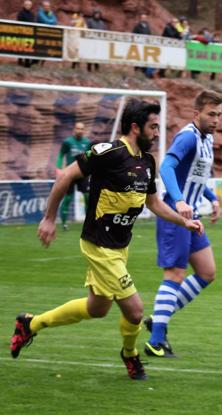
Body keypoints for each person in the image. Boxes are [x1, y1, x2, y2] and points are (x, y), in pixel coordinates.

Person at [9, 99, 204, 380]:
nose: (158, 133)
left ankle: (30, 323)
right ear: (135, 127)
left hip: (119, 247)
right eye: (153, 127)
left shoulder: (147, 162)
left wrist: (183, 221)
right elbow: (65, 176)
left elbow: (154, 203)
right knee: (135, 311)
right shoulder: (108, 152)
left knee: (97, 308)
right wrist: (49, 218)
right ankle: (131, 355)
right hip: (99, 246)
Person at [143, 90, 222, 358]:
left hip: (193, 217)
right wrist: (178, 201)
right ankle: (156, 340)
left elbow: (196, 175)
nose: (216, 120)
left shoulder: (207, 139)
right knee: (174, 275)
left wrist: (211, 198)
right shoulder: (188, 136)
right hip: (177, 217)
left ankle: (158, 319)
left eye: (219, 115)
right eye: (211, 114)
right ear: (197, 113)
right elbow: (166, 167)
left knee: (207, 272)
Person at [56, 122, 91, 230]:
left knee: (87, 197)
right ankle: (64, 224)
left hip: (83, 173)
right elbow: (61, 154)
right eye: (77, 128)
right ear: (74, 129)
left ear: (84, 131)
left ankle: (88, 223)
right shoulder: (67, 142)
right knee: (67, 198)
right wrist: (58, 168)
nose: (79, 130)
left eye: (81, 129)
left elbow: (90, 157)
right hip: (69, 174)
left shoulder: (87, 143)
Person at [16, 0, 35, 68]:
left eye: (29, 5)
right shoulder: (20, 13)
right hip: (22, 33)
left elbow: (33, 22)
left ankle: (27, 62)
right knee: (21, 47)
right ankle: (20, 61)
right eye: (26, 5)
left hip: (29, 33)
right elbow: (19, 22)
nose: (28, 6)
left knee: (28, 47)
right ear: (24, 5)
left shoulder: (32, 14)